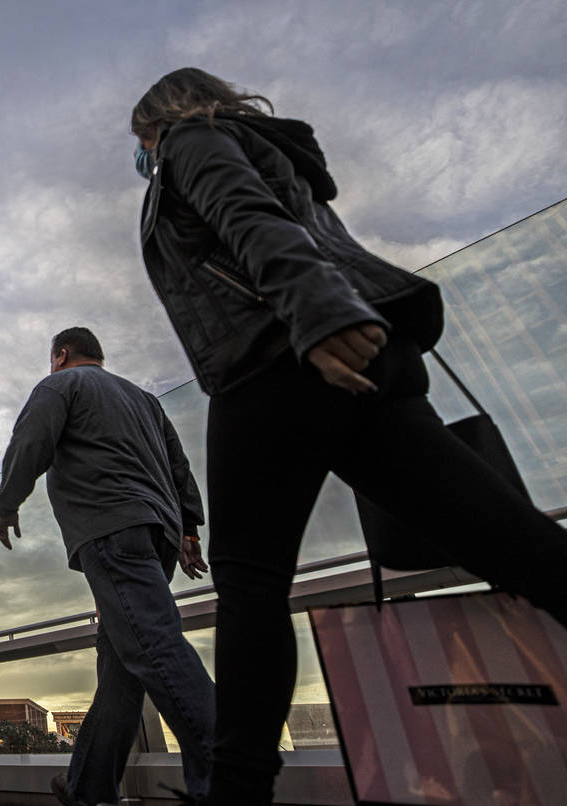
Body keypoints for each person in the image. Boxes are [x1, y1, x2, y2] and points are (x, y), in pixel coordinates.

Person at [131, 67, 567, 805]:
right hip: (362, 362)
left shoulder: (193, 140)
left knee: (252, 583)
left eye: (139, 141)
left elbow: (248, 221)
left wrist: (318, 317)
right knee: (512, 542)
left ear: (157, 121)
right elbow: (294, 229)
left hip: (280, 361)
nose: (141, 155)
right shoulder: (269, 148)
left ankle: (237, 792)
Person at [0, 326, 215, 806]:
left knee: (156, 647)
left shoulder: (60, 385)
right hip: (159, 534)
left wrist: (8, 503)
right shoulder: (145, 400)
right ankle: (88, 788)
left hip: (112, 531)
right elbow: (180, 469)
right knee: (122, 667)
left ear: (61, 354)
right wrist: (190, 532)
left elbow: (32, 441)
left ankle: (227, 771)